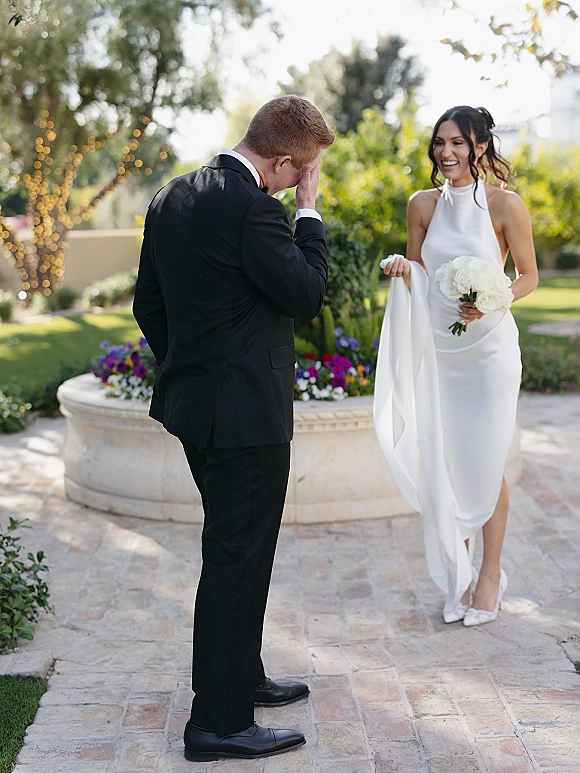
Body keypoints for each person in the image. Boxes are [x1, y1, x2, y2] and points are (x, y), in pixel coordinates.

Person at [133, 96, 334, 762]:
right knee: (236, 559)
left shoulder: (173, 195)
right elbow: (307, 293)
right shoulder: (255, 209)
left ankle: (240, 675)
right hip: (245, 417)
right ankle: (217, 721)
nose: (298, 181)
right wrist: (309, 209)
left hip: (199, 410)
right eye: (299, 173)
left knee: (239, 554)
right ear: (283, 162)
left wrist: (191, 369)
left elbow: (147, 304)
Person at [374, 105, 538, 627]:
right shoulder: (421, 204)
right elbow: (421, 273)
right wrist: (403, 269)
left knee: (485, 458)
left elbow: (528, 276)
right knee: (448, 459)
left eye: (459, 143)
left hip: (489, 351)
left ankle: (489, 575)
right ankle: (459, 572)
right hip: (440, 350)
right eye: (440, 142)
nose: (447, 152)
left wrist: (495, 300)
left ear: (481, 147)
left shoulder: (506, 205)